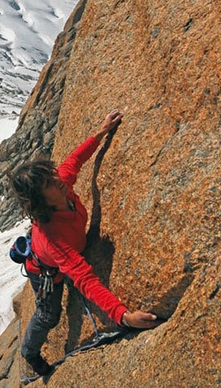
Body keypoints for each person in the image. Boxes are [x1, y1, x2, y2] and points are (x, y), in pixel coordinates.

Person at [10, 110, 159, 376]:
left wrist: (101, 132)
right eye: (48, 182)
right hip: (45, 272)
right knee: (49, 316)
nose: (58, 179)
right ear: (39, 199)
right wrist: (123, 316)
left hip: (65, 254)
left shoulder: (61, 186)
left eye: (52, 174)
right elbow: (83, 278)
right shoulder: (53, 236)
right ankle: (29, 351)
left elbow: (75, 160)